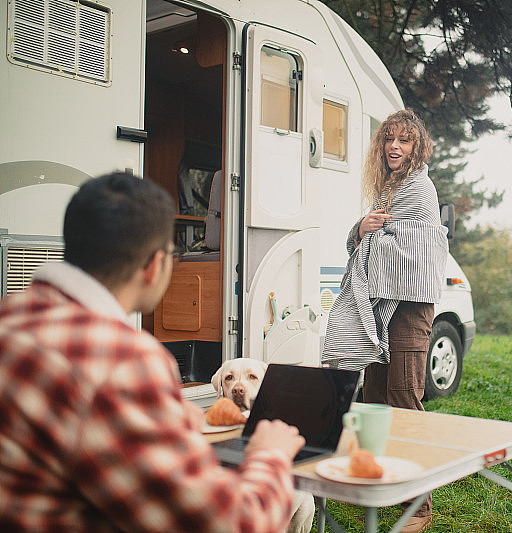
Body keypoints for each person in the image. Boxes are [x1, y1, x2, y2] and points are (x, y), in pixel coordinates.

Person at [0, 172, 305, 532]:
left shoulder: (12, 319)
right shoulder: (124, 359)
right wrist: (270, 453)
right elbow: (229, 523)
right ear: (155, 264)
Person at [321, 110, 448, 533]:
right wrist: (362, 228)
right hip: (379, 306)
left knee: (404, 397)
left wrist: (370, 235)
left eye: (404, 141)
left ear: (417, 147)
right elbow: (359, 242)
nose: (395, 147)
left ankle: (421, 506)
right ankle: (382, 483)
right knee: (374, 397)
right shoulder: (386, 190)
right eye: (389, 139)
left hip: (409, 307)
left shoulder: (420, 189)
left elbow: (418, 250)